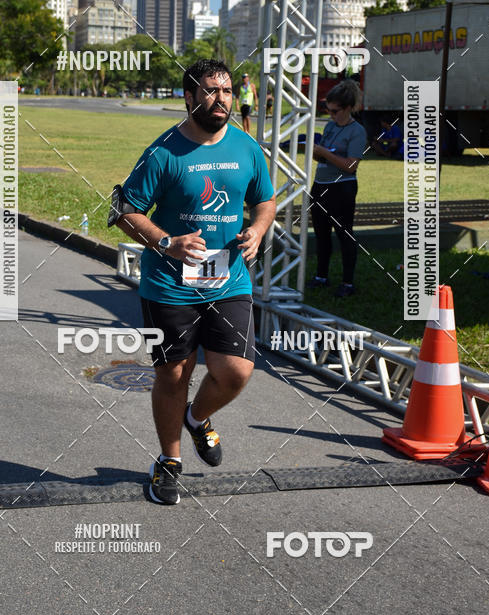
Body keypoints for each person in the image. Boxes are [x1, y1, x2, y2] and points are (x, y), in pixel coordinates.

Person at [113, 59, 276, 505]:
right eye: (209, 90)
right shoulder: (164, 152)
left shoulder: (247, 149)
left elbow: (265, 200)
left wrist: (258, 231)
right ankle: (169, 461)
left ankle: (198, 417)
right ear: (188, 97)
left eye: (226, 91)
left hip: (228, 280)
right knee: (173, 373)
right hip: (169, 285)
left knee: (237, 371)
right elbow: (124, 211)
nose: (220, 98)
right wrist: (166, 242)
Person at [307, 79, 366, 298]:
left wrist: (323, 152)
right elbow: (321, 156)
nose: (331, 116)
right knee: (321, 234)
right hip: (320, 185)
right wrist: (313, 151)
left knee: (344, 234)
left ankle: (347, 283)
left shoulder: (357, 131)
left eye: (335, 111)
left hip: (342, 188)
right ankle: (321, 276)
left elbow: (351, 166)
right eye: (328, 110)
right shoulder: (330, 126)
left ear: (349, 108)